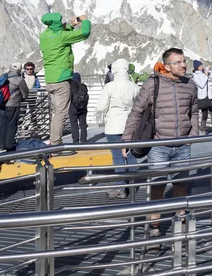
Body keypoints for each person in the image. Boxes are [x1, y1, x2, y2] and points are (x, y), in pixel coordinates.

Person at [122, 47, 198, 236]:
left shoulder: (190, 84)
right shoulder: (153, 83)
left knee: (182, 184)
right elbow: (137, 111)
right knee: (158, 186)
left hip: (183, 144)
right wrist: (126, 139)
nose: (183, 65)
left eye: (184, 60)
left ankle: (180, 220)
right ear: (167, 66)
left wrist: (193, 135)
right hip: (159, 144)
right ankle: (154, 226)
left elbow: (194, 111)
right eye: (178, 62)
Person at [39, 13, 91, 146]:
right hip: (61, 80)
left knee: (57, 113)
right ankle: (56, 143)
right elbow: (84, 33)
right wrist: (85, 21)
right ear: (56, 24)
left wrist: (70, 26)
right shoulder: (61, 37)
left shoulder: (44, 36)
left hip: (50, 80)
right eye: (60, 22)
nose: (63, 23)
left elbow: (59, 34)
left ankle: (53, 140)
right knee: (61, 114)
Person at [96, 58, 140, 199]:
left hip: (114, 125)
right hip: (131, 124)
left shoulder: (110, 86)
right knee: (131, 155)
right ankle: (133, 184)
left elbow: (101, 107)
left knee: (118, 157)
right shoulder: (134, 86)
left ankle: (120, 187)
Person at [0, 63, 29, 152]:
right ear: (19, 70)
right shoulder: (19, 80)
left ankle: (2, 145)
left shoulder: (3, 77)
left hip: (2, 104)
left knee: (4, 125)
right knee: (12, 125)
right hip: (13, 105)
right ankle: (10, 146)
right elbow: (25, 93)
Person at [192, 60, 212, 135]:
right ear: (198, 67)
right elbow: (201, 85)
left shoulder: (205, 73)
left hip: (210, 96)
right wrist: (206, 75)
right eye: (201, 66)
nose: (202, 67)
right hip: (202, 97)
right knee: (204, 114)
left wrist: (211, 68)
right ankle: (202, 129)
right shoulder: (195, 76)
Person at [69, 72, 89, 143]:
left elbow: (69, 98)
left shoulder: (71, 87)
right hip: (83, 108)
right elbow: (87, 97)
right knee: (83, 124)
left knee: (74, 124)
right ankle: (83, 140)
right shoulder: (84, 87)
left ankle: (75, 141)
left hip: (73, 108)